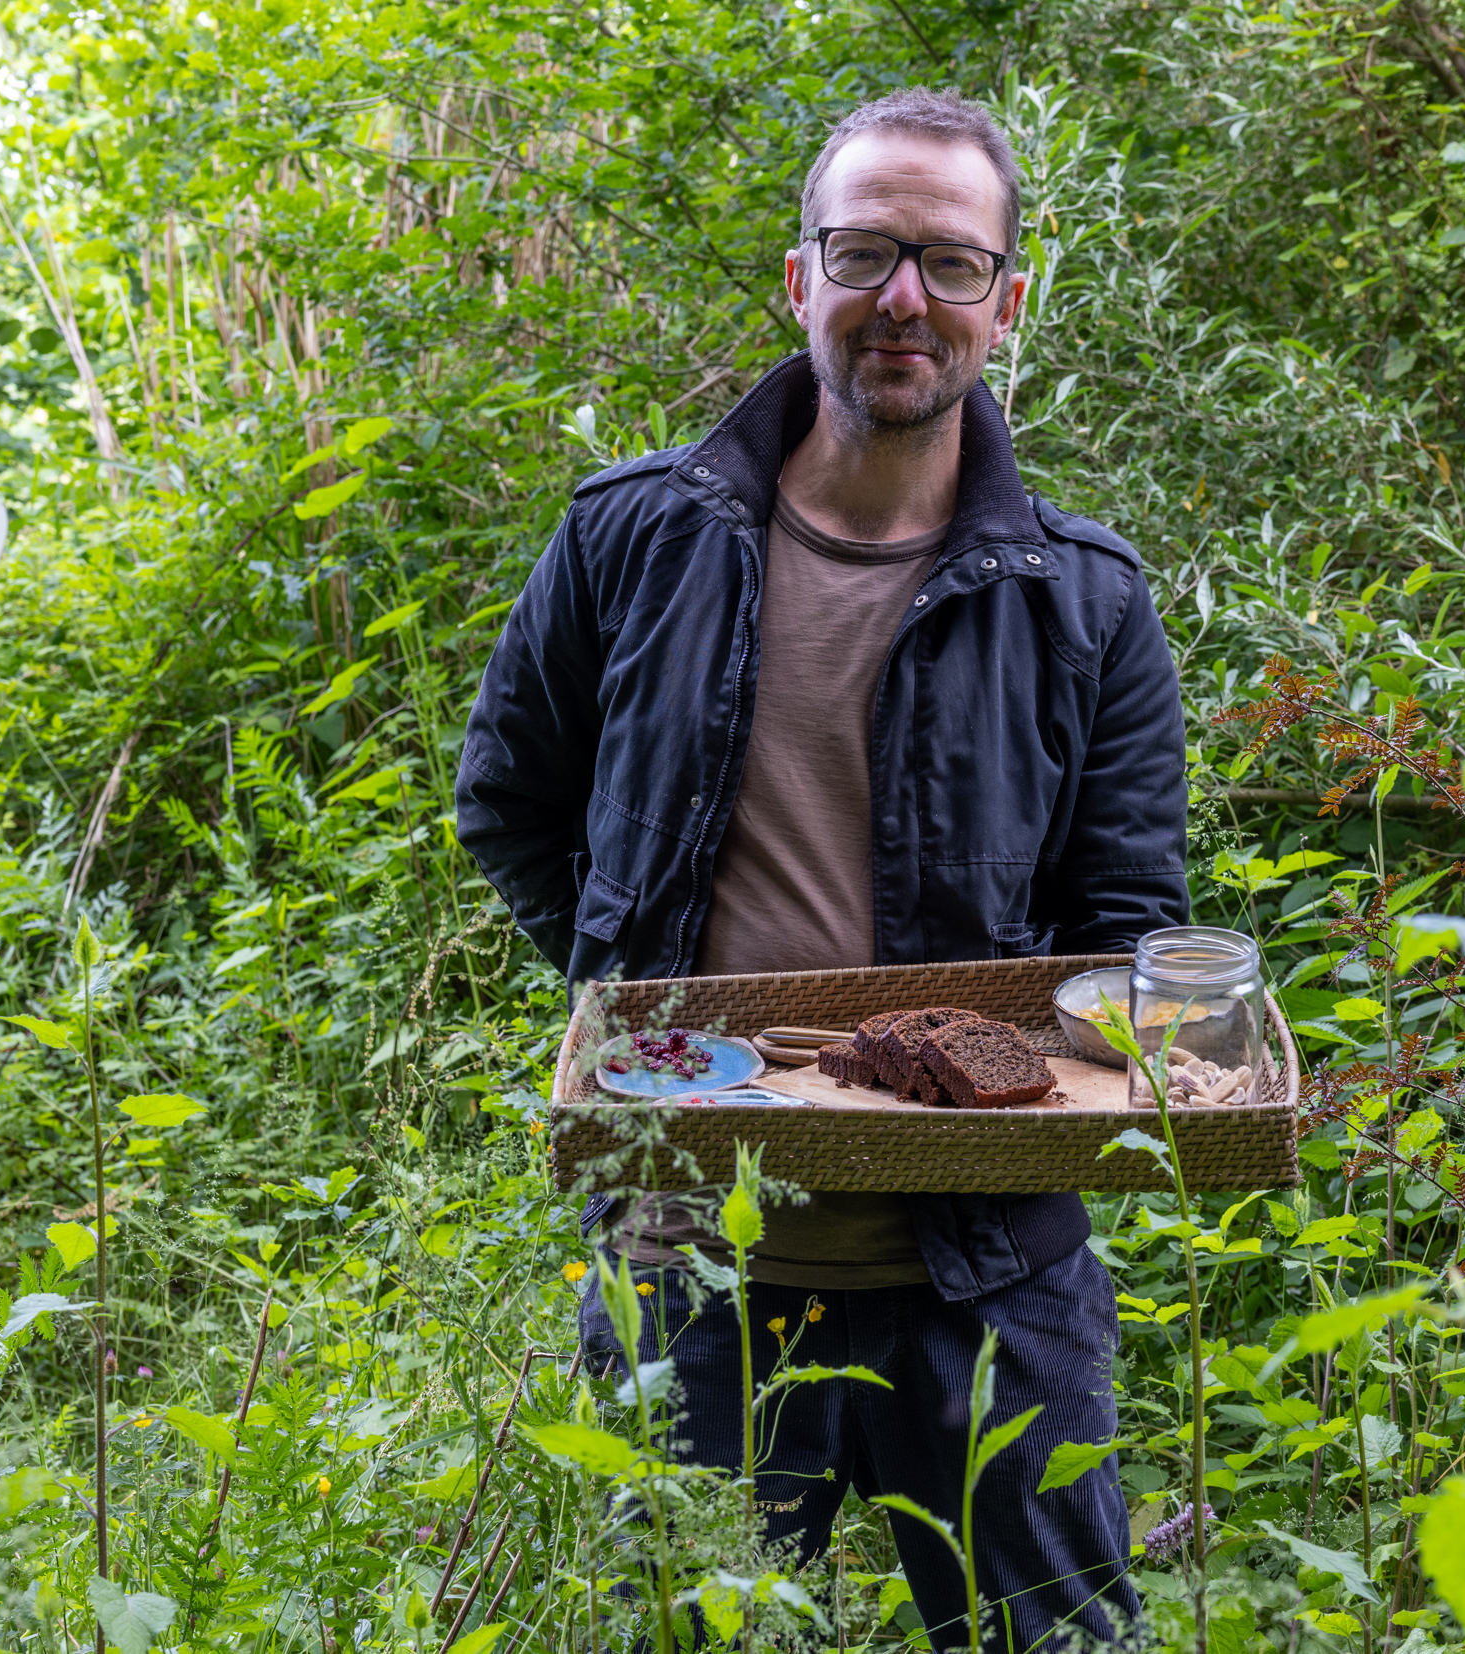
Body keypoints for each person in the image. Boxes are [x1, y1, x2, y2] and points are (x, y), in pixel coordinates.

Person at [455, 87, 1188, 1650]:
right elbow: (512, 804)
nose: (904, 296)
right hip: (688, 1270)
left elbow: (1130, 931)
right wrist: (643, 1028)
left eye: (950, 259)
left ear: (1011, 293)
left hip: (991, 1289)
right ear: (801, 282)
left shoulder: (1090, 605)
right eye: (864, 252)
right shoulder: (631, 538)